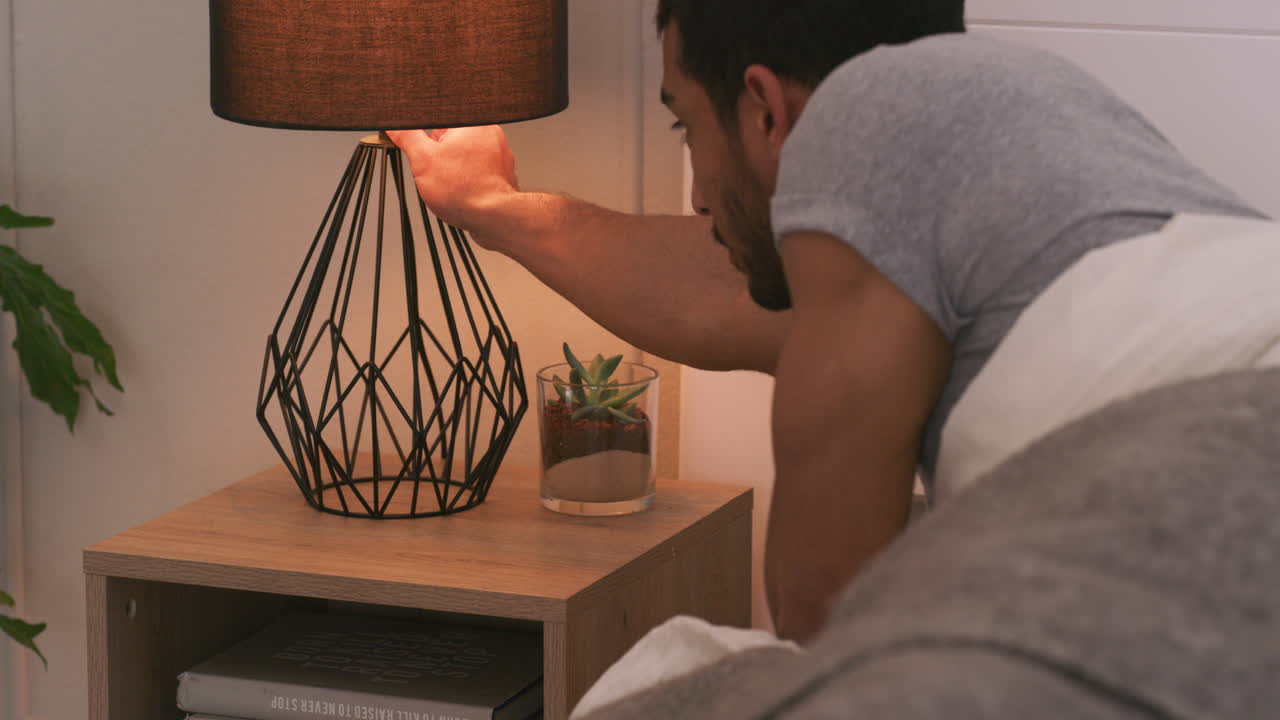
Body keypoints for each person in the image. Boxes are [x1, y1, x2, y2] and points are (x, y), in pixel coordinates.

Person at [388, 0, 1279, 655]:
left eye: (686, 125)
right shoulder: (1000, 140)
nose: (697, 192)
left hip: (1226, 454)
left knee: (693, 667)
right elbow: (720, 290)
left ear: (767, 109)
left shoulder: (867, 118)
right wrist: (491, 206)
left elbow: (826, 616)